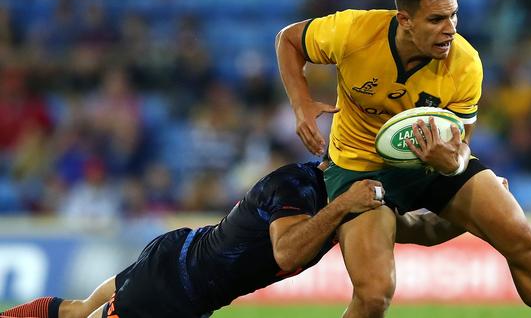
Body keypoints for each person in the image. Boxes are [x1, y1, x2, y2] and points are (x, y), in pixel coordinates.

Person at [276, 0, 531, 318]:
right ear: (404, 19)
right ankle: (387, 223)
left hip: (430, 164)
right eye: (436, 20)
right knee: (373, 296)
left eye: (454, 16)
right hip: (359, 168)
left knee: (521, 237)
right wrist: (301, 104)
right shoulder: (354, 31)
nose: (449, 29)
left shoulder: (465, 63)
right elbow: (288, 40)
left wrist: (455, 162)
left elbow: (462, 144)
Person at [0, 161, 464, 318]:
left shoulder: (349, 205)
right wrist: (344, 205)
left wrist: (474, 210)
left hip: (180, 262)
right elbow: (286, 249)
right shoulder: (296, 187)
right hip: (170, 290)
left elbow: (421, 230)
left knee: (81, 311)